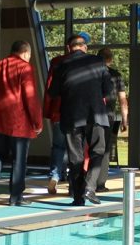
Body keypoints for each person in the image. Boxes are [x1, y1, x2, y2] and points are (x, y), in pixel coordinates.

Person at [0, 40, 42, 206]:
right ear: (26, 53)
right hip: (19, 122)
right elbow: (30, 97)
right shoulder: (25, 68)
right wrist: (37, 122)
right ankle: (16, 197)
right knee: (19, 159)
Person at [48, 35, 111, 206]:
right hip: (95, 114)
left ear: (69, 48)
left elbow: (53, 92)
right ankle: (90, 187)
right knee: (98, 150)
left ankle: (78, 198)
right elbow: (107, 90)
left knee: (75, 157)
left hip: (71, 116)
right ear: (85, 47)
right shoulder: (98, 62)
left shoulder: (61, 65)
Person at [96, 47, 128, 192]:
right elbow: (123, 100)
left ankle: (85, 181)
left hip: (89, 115)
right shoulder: (116, 75)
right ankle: (100, 183)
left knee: (89, 148)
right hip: (108, 116)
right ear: (111, 59)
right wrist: (124, 120)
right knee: (105, 150)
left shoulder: (91, 73)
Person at [42, 50, 70, 195]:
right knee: (75, 147)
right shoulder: (86, 61)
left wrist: (47, 111)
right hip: (77, 114)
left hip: (57, 112)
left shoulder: (56, 62)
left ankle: (55, 175)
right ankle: (73, 181)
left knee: (58, 147)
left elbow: (49, 88)